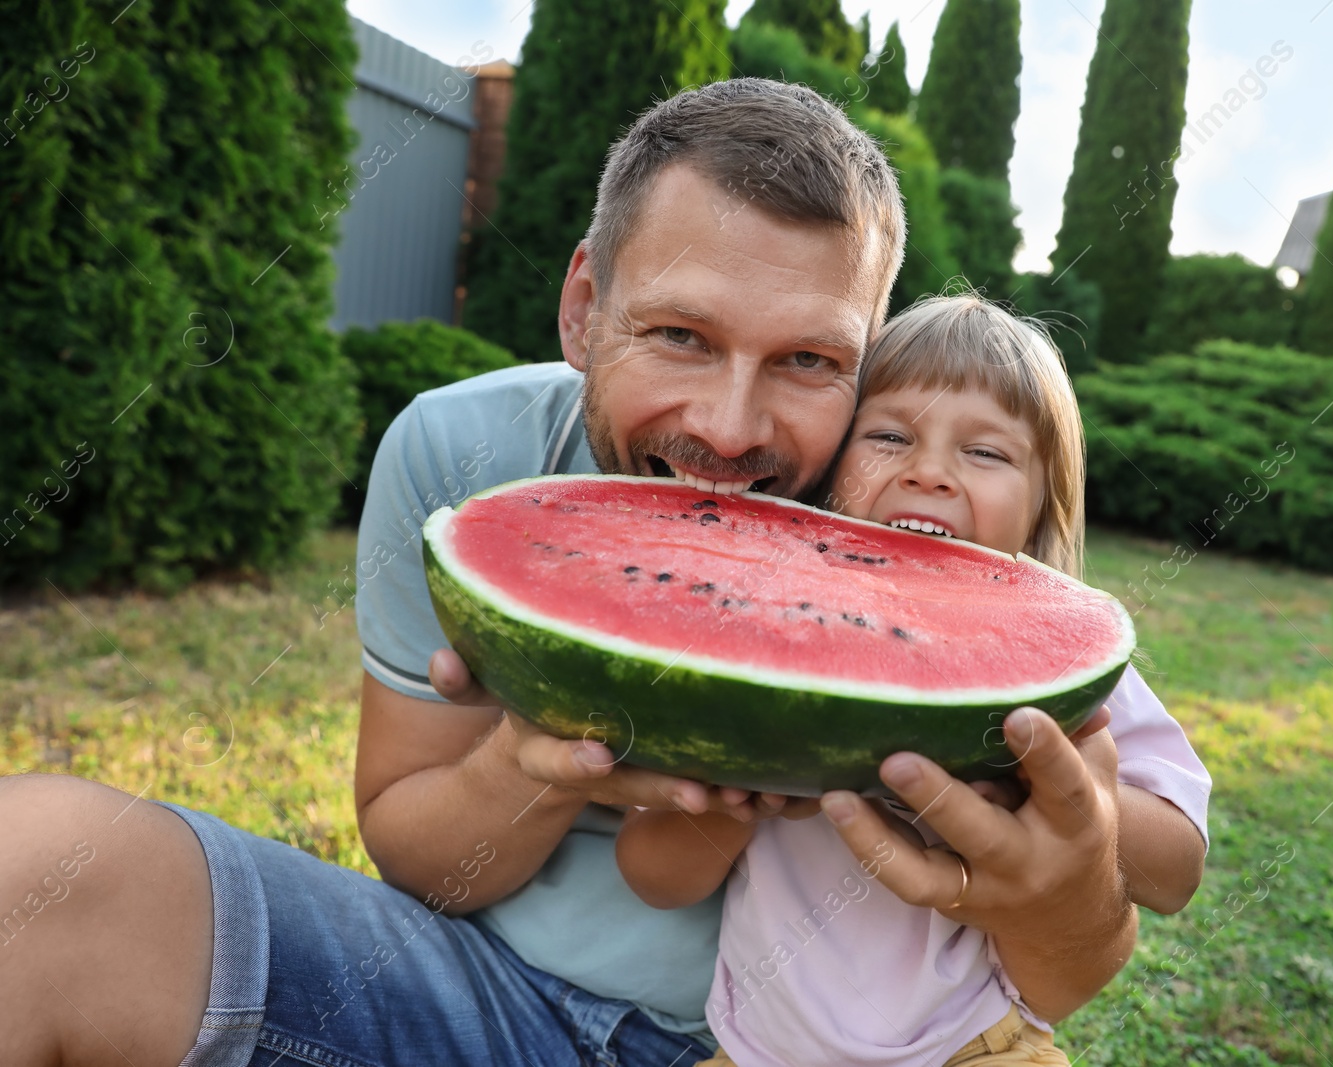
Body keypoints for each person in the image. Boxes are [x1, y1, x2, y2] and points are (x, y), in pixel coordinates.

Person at [2, 79, 1164, 1065]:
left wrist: (1062, 888)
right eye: (679, 335)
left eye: (810, 359)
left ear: (868, 359)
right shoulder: (459, 456)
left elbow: (1068, 967)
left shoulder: (919, 522)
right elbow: (420, 857)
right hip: (490, 999)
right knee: (30, 871)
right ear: (581, 308)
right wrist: (538, 762)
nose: (727, 427)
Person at [616, 295, 1210, 1067]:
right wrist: (746, 788)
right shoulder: (760, 647)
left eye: (987, 453)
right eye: (890, 436)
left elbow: (1175, 872)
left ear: (1039, 510)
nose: (929, 472)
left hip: (978, 1048)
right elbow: (654, 874)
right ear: (831, 478)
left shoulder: (1061, 665)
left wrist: (1051, 782)